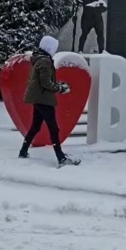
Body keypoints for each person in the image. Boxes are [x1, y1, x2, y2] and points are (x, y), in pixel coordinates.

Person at [18, 36, 81, 168]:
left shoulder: (38, 59)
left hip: (38, 98)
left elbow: (42, 81)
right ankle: (61, 157)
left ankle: (23, 152)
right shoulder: (45, 61)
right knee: (54, 129)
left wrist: (57, 85)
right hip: (44, 100)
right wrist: (60, 88)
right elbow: (46, 83)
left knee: (35, 127)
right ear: (50, 47)